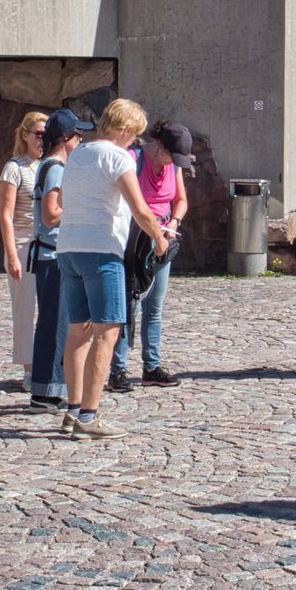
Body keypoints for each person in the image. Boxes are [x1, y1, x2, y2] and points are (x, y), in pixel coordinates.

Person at [56, 98, 174, 440]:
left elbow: (63, 201)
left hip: (69, 247)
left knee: (78, 330)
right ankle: (89, 416)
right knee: (107, 332)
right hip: (100, 250)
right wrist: (159, 238)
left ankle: (73, 410)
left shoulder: (79, 153)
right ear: (125, 130)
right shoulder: (118, 156)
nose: (134, 141)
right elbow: (140, 208)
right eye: (134, 136)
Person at [108, 121, 193, 392]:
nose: (172, 162)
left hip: (163, 239)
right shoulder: (134, 159)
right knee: (128, 304)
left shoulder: (173, 166)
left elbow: (180, 200)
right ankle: (117, 370)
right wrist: (152, 231)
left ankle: (151, 366)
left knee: (154, 307)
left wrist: (174, 224)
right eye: (171, 155)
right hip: (134, 239)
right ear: (159, 145)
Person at [26, 109, 90, 413]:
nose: (81, 140)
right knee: (55, 325)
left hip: (51, 255)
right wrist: (81, 208)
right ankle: (45, 393)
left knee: (56, 323)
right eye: (78, 135)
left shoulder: (53, 166)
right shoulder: (56, 168)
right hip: (52, 256)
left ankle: (48, 389)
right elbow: (50, 215)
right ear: (66, 138)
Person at [0, 111, 49, 388]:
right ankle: (29, 369)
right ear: (25, 135)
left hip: (49, 244)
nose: (42, 140)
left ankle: (49, 365)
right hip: (22, 243)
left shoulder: (52, 165)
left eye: (46, 135)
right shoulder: (14, 168)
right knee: (25, 308)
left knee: (51, 308)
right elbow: (5, 215)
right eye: (38, 134)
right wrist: (12, 255)